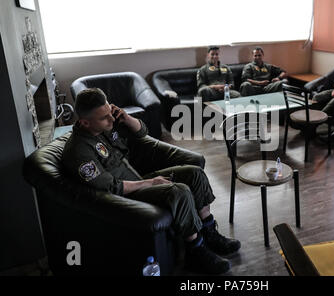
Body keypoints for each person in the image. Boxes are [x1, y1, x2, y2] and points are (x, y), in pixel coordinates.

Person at [61, 88, 241, 274]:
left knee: (195, 174)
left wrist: (126, 117)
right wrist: (150, 183)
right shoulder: (79, 151)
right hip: (127, 194)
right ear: (84, 122)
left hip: (138, 178)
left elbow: (142, 133)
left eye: (110, 112)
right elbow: (113, 187)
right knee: (178, 191)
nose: (111, 119)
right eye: (105, 117)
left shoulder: (106, 124)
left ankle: (209, 232)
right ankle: (195, 250)